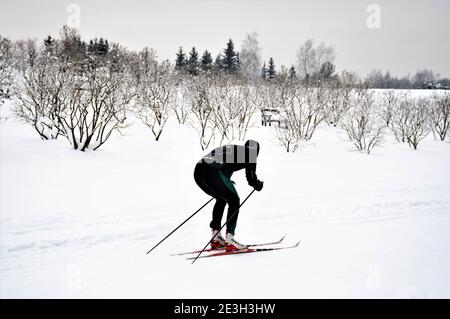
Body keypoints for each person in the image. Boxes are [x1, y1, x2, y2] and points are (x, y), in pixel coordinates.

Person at [194, 140, 264, 251]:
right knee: (234, 200)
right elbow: (251, 179)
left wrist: (225, 180)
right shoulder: (251, 153)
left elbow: (223, 162)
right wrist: (258, 184)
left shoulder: (234, 149)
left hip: (198, 171)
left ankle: (216, 238)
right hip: (214, 172)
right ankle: (230, 239)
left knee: (221, 199)